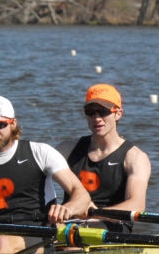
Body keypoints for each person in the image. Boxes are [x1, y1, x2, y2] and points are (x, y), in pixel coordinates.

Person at [0, 95, 92, 253]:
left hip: (38, 230)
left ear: (13, 123)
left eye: (0, 124)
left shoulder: (40, 152)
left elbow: (82, 195)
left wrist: (67, 209)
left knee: (4, 244)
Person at [58, 83, 150, 231]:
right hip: (70, 224)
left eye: (103, 111)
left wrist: (94, 215)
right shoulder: (67, 149)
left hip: (113, 226)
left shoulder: (135, 158)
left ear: (118, 113)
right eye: (91, 112)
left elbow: (137, 205)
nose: (97, 118)